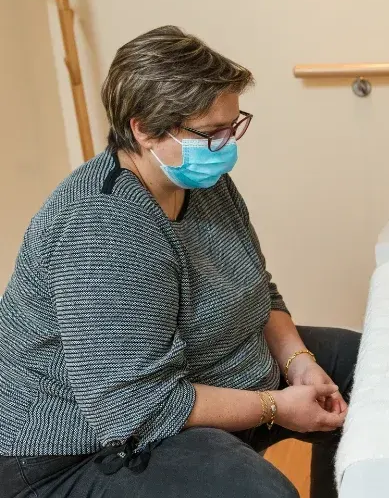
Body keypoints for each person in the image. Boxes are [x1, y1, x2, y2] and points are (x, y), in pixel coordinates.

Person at [0, 26, 359, 498]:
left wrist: (299, 364)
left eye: (234, 125)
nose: (228, 144)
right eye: (212, 132)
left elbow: (259, 290)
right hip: (78, 449)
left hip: (200, 374)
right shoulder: (103, 227)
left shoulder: (200, 183)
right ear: (143, 129)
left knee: (365, 368)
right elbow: (137, 409)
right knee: (255, 490)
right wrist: (276, 406)